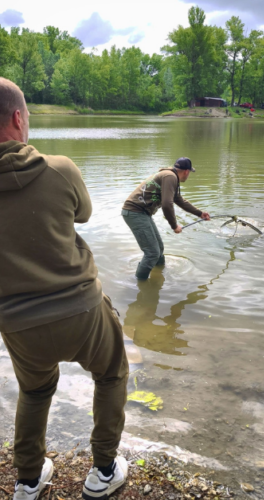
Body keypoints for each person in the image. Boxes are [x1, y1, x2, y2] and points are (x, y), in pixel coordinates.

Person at [0, 78, 129, 499]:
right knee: (111, 375)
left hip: (18, 323)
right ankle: (104, 471)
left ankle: (27, 481)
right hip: (82, 311)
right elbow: (85, 213)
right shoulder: (60, 168)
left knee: (34, 392)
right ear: (19, 118)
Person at [121, 157, 210, 280]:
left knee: (159, 248)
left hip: (142, 213)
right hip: (135, 212)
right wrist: (174, 226)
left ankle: (159, 273)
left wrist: (199, 213)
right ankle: (139, 283)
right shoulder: (170, 177)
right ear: (186, 171)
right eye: (189, 173)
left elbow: (178, 200)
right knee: (152, 253)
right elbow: (167, 204)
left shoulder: (169, 175)